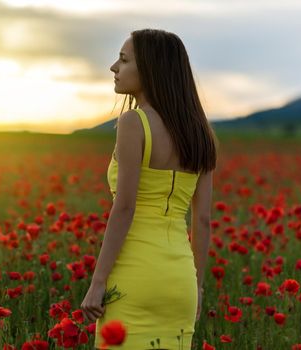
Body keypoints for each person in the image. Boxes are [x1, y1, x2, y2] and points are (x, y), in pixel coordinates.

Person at [80, 28, 218, 349]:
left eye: (124, 60)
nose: (114, 67)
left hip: (135, 274)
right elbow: (202, 221)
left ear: (151, 70)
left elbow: (125, 208)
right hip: (181, 279)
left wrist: (98, 282)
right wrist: (196, 287)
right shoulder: (202, 134)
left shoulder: (133, 123)